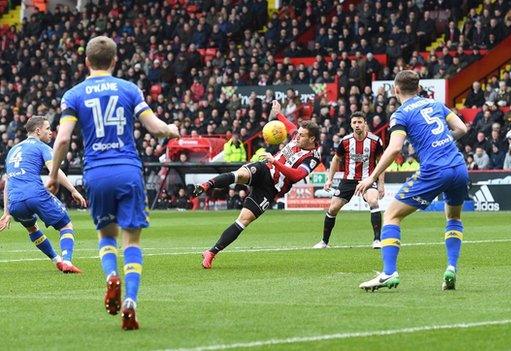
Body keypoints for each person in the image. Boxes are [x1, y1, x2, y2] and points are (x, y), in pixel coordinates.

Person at [47, 36, 179, 330]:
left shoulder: (74, 94)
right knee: (131, 241)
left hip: (96, 172)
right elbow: (155, 128)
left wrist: (54, 175)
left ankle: (110, 277)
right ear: (115, 61)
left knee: (106, 237)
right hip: (128, 170)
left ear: (86, 62)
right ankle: (130, 301)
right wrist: (171, 130)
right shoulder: (129, 89)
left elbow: (64, 139)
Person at [355, 70, 469, 291]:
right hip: (459, 167)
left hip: (435, 170)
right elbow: (462, 128)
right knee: (453, 217)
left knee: (391, 215)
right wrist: (443, 140)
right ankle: (451, 267)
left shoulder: (400, 114)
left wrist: (371, 177)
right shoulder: (435, 105)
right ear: (418, 88)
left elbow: (395, 147)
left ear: (395, 90)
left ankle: (389, 272)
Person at [194, 100, 321, 269]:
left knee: (243, 220)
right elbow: (290, 126)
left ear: (312, 139)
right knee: (240, 175)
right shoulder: (297, 137)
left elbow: (298, 175)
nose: (297, 136)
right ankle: (207, 185)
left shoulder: (313, 157)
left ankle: (211, 252)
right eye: (297, 134)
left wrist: (275, 162)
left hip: (271, 189)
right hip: (264, 170)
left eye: (302, 136)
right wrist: (278, 114)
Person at [0, 116, 86, 273]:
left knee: (32, 229)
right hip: (35, 194)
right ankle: (66, 260)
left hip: (15, 201)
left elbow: (7, 182)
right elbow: (55, 170)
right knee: (66, 225)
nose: (51, 132)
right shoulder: (42, 147)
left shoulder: (12, 150)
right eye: (47, 129)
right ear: (38, 131)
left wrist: (7, 212)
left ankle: (56, 260)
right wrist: (73, 190)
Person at [313, 111, 385, 249]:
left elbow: (380, 162)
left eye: (359, 122)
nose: (357, 125)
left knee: (373, 201)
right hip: (348, 180)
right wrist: (329, 179)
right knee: (333, 208)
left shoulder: (375, 141)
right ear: (351, 125)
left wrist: (380, 184)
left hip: (367, 179)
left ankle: (377, 240)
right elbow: (336, 159)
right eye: (354, 122)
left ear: (365, 123)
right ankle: (324, 242)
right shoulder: (345, 141)